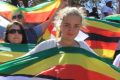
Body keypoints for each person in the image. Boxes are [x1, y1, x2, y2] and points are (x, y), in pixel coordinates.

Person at [23, 7, 95, 57]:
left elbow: (99, 64)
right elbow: (25, 61)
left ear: (80, 27)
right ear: (59, 25)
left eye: (76, 26)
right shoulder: (48, 45)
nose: (71, 29)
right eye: (67, 25)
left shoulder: (83, 46)